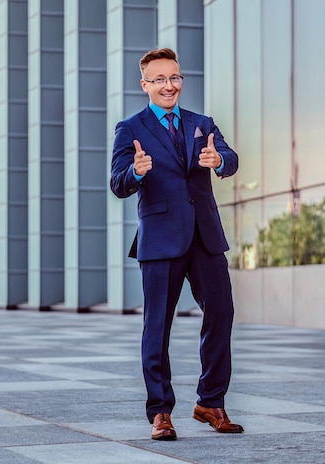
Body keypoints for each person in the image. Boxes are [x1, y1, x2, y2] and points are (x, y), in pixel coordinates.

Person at [110, 48, 244, 441]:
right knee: (157, 327)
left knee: (221, 312)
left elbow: (231, 158)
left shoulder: (202, 123)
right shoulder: (129, 127)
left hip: (205, 235)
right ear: (145, 85)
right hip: (160, 239)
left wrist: (218, 158)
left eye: (175, 78)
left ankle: (210, 402)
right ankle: (160, 411)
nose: (169, 85)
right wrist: (134, 171)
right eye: (160, 79)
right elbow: (118, 182)